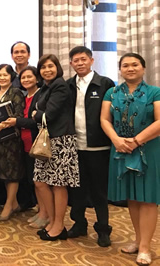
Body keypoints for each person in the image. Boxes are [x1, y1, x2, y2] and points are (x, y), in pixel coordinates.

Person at [100, 53, 160, 266]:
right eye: (125, 65)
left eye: (135, 64)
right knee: (132, 197)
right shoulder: (112, 92)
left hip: (147, 150)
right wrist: (116, 139)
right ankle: (138, 240)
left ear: (143, 68)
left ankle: (145, 247)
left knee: (148, 198)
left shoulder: (155, 91)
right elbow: (104, 119)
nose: (130, 68)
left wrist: (136, 140)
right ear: (120, 70)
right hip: (120, 149)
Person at [66, 46, 115, 247]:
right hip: (75, 146)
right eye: (75, 60)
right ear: (71, 64)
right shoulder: (68, 85)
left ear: (91, 61)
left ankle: (103, 229)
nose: (80, 63)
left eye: (83, 59)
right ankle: (79, 224)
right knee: (77, 189)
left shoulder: (105, 84)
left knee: (99, 191)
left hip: (98, 147)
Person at [32, 54, 80, 241]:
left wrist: (37, 114)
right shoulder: (46, 87)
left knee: (59, 185)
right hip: (47, 140)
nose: (47, 70)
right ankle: (52, 222)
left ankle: (59, 226)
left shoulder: (59, 85)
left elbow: (48, 115)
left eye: (51, 66)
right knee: (41, 182)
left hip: (61, 140)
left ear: (58, 67)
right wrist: (38, 114)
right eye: (43, 67)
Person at [3, 66, 45, 227]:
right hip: (26, 142)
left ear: (36, 78)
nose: (26, 80)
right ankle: (41, 210)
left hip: (37, 143)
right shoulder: (25, 96)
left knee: (40, 181)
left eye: (29, 77)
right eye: (23, 78)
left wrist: (16, 122)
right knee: (34, 180)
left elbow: (36, 121)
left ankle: (45, 213)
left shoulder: (40, 95)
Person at [0, 64, 25, 221]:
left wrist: (2, 125)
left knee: (12, 173)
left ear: (11, 77)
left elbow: (19, 115)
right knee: (3, 171)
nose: (2, 78)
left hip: (12, 139)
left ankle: (8, 206)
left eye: (5, 75)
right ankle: (15, 203)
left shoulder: (16, 93)